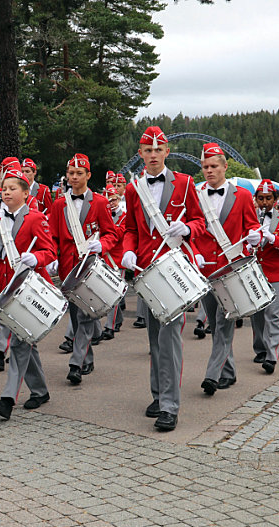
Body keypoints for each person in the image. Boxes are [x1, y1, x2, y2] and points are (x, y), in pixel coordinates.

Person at [121, 126, 206, 431]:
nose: (154, 155)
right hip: (147, 271)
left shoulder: (184, 183)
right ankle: (158, 395)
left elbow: (200, 221)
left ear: (167, 152)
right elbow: (130, 229)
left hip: (173, 270)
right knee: (155, 338)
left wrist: (189, 229)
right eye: (148, 150)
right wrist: (128, 250)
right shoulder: (133, 188)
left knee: (169, 340)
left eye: (159, 150)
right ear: (140, 154)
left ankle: (170, 406)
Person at [0, 168, 56, 420]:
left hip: (29, 291)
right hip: (7, 291)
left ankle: (7, 399)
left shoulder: (35, 218)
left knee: (20, 344)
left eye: (12, 188)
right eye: (4, 188)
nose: (7, 192)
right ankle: (40, 391)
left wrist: (36, 258)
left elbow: (50, 252)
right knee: (26, 342)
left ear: (25, 193)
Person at [192, 143, 260, 395]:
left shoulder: (242, 195)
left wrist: (255, 234)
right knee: (214, 322)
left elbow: (252, 225)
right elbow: (193, 230)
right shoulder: (197, 195)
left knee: (223, 323)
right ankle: (229, 371)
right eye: (205, 167)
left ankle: (213, 375)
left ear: (224, 167)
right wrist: (195, 253)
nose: (209, 171)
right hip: (206, 270)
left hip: (231, 270)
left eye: (213, 166)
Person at [47, 153, 118, 385]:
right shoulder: (59, 204)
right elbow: (53, 236)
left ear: (88, 175)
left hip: (90, 268)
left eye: (79, 173)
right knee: (76, 317)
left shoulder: (100, 202)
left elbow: (111, 233)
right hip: (68, 268)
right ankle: (87, 358)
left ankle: (75, 364)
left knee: (85, 316)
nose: (74, 177)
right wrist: (52, 256)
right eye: (71, 173)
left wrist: (102, 245)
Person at [249, 179, 279, 374]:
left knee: (273, 314)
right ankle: (260, 348)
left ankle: (271, 355)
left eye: (268, 198)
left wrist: (273, 239)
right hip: (254, 271)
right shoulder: (251, 215)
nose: (264, 202)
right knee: (257, 314)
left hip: (276, 271)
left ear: (275, 199)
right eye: (261, 198)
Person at [102, 185, 126, 340]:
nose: (111, 203)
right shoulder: (102, 216)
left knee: (114, 292)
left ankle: (109, 326)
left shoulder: (124, 217)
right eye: (108, 201)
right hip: (104, 258)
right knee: (107, 293)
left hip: (117, 259)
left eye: (114, 200)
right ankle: (118, 319)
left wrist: (106, 227)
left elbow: (118, 234)